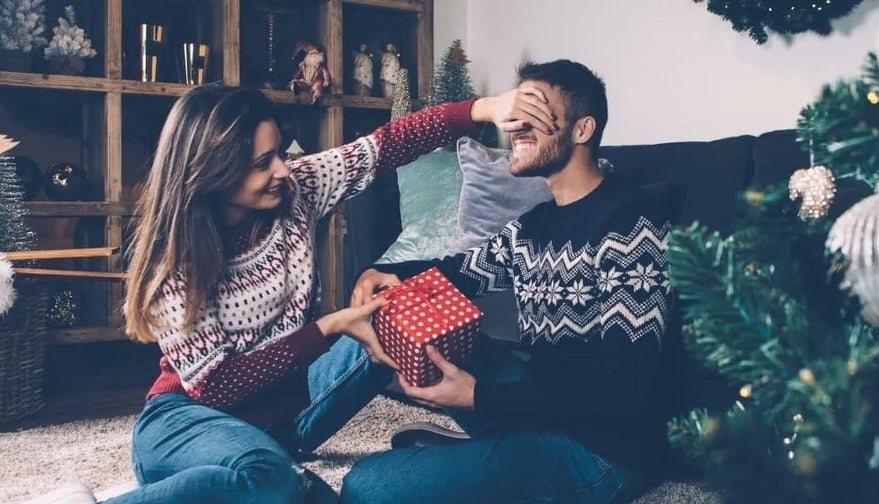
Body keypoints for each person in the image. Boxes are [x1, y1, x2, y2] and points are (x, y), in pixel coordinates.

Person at [26, 82, 556, 504]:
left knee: (393, 314)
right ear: (211, 171)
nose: (282, 169)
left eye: (277, 152)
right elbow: (218, 389)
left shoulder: (294, 191)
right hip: (188, 422)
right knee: (272, 482)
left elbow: (385, 146)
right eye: (261, 163)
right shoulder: (173, 260)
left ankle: (517, 442)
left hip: (285, 420)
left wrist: (487, 107)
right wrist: (330, 326)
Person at [344, 59, 675, 504]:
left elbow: (623, 388)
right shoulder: (534, 224)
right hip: (539, 410)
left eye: (533, 112)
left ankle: (487, 460)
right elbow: (455, 274)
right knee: (390, 303)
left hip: (601, 451)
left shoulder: (630, 224)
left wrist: (481, 397)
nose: (514, 126)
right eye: (514, 112)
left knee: (365, 486)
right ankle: (282, 442)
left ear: (581, 130)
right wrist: (380, 275)